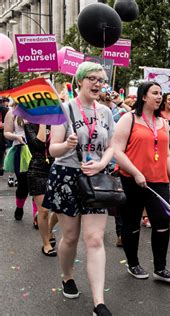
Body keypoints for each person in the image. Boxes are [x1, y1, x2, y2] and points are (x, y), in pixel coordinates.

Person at [42, 62, 114, 316]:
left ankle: (98, 302)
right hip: (67, 177)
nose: (97, 84)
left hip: (96, 179)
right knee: (70, 237)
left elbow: (111, 147)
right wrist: (67, 145)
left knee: (94, 239)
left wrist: (103, 164)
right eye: (92, 79)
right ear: (80, 81)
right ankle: (67, 275)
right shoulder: (65, 109)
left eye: (101, 80)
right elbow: (53, 150)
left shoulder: (106, 112)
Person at [112, 81, 170, 283]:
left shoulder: (163, 123)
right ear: (144, 97)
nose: (159, 97)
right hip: (131, 180)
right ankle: (133, 264)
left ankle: (160, 268)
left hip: (158, 181)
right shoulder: (129, 119)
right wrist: (135, 172)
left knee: (162, 224)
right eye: (155, 93)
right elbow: (117, 150)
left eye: (161, 93)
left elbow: (166, 154)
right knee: (131, 224)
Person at [24, 123, 56, 256]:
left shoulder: (58, 123)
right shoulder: (29, 125)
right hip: (38, 170)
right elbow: (38, 145)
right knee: (43, 211)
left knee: (60, 210)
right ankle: (46, 244)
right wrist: (43, 123)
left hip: (57, 168)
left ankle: (48, 228)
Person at [3, 109, 33, 222]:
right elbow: (7, 132)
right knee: (23, 184)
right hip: (21, 150)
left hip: (37, 150)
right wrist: (16, 137)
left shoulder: (38, 110)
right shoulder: (12, 112)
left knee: (38, 184)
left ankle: (38, 215)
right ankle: (19, 207)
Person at [0, 97, 9, 176]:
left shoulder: (5, 110)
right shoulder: (5, 109)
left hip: (3, 134)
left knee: (2, 150)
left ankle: (1, 167)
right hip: (3, 135)